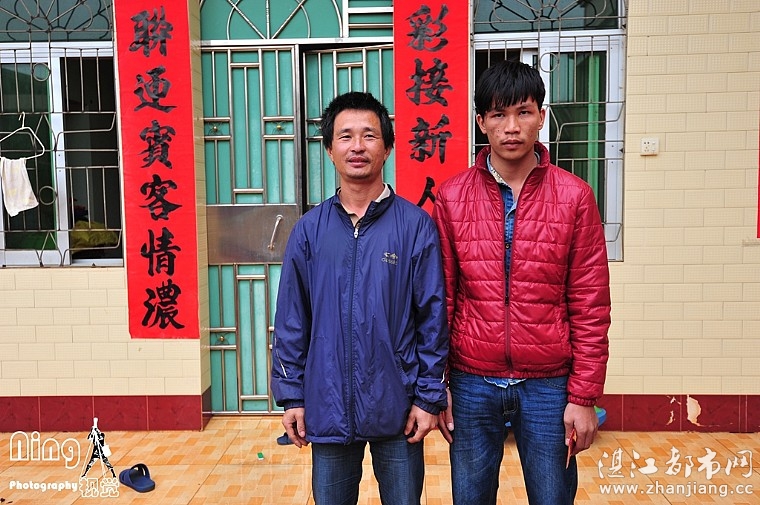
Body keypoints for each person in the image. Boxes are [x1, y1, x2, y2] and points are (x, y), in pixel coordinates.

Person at [432, 60, 611, 505]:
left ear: (541, 116)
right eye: (499, 114)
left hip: (549, 384)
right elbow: (441, 300)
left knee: (553, 497)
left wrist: (584, 395)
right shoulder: (451, 197)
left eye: (524, 112)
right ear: (481, 122)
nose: (511, 127)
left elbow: (590, 304)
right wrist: (440, 385)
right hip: (471, 380)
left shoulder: (574, 196)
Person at [271, 91, 448, 505]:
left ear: (387, 147)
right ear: (329, 149)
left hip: (398, 407)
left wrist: (428, 398)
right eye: (345, 136)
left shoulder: (415, 226)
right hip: (327, 404)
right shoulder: (309, 231)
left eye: (369, 135)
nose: (357, 146)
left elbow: (433, 318)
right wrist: (293, 395)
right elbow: (292, 319)